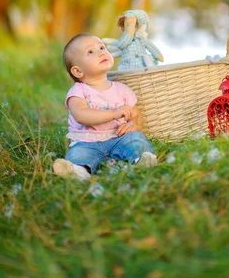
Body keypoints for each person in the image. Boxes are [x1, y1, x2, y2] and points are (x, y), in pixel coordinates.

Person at [52, 33, 157, 181]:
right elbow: (81, 115)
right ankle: (79, 170)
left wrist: (133, 125)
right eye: (91, 51)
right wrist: (113, 113)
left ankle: (142, 160)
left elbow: (136, 115)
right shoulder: (78, 91)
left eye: (102, 47)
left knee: (136, 139)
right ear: (78, 71)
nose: (101, 52)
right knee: (78, 154)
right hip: (86, 142)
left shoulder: (122, 89)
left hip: (119, 138)